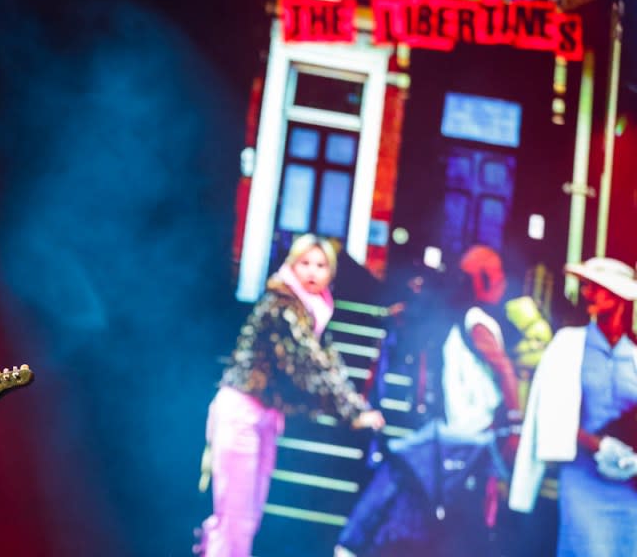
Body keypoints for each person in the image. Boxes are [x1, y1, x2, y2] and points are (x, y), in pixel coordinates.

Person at [197, 233, 385, 557]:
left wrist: (357, 407)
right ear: (291, 266)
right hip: (241, 414)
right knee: (235, 519)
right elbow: (310, 362)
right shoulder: (281, 306)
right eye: (305, 263)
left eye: (321, 265)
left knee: (248, 517)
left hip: (266, 418)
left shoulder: (312, 310)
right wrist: (353, 413)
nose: (312, 272)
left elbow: (329, 361)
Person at [335, 245, 520, 557]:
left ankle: (353, 544)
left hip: (447, 438)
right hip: (416, 430)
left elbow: (504, 369)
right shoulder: (433, 317)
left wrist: (513, 422)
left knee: (414, 513)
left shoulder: (472, 321)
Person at [509, 257, 637, 557]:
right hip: (583, 477)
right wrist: (597, 444)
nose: (589, 294)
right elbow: (551, 414)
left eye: (598, 288)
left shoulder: (633, 355)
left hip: (629, 486)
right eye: (588, 287)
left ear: (619, 298)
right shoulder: (567, 345)